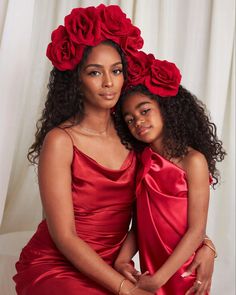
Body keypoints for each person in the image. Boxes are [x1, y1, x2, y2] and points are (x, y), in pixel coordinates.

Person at [13, 5, 216, 295]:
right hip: (58, 265)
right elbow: (65, 237)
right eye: (95, 72)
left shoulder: (133, 136)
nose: (109, 83)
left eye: (116, 71)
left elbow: (167, 208)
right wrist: (125, 289)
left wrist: (207, 246)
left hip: (112, 266)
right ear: (76, 81)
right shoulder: (61, 141)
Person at [113, 53, 226, 294]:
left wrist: (160, 279)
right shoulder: (140, 162)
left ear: (166, 108)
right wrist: (122, 259)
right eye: (130, 119)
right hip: (150, 269)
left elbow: (197, 230)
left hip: (183, 270)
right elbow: (140, 222)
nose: (138, 122)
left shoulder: (193, 161)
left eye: (145, 111)